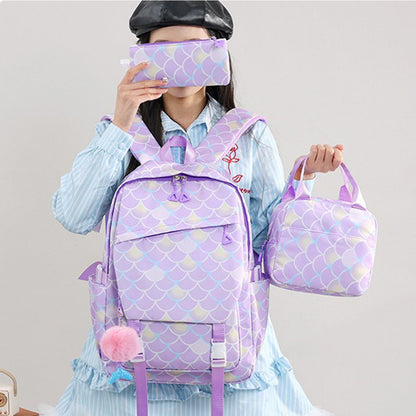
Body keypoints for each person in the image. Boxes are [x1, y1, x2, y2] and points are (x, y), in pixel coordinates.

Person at [42, 1, 342, 415]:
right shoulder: (121, 134)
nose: (180, 62)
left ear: (219, 53)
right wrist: (121, 121)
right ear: (141, 55)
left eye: (194, 48)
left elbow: (268, 245)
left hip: (230, 335)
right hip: (133, 334)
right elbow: (73, 216)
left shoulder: (248, 135)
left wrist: (304, 179)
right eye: (164, 49)